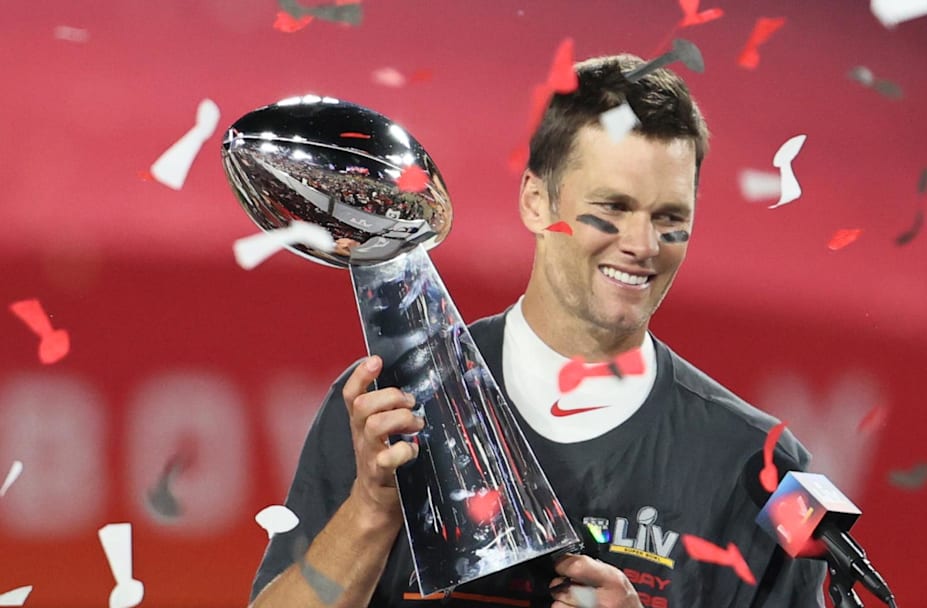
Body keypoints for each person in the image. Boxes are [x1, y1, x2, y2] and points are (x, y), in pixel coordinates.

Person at [249, 54, 827, 608]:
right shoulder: (390, 408)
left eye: (669, 218)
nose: (642, 244)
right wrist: (371, 510)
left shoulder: (758, 469)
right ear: (534, 201)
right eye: (613, 207)